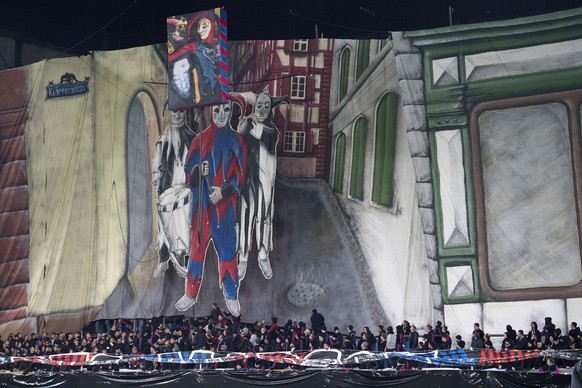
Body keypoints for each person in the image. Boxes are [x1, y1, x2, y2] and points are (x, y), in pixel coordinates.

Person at [175, 97, 247, 316]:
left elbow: (242, 175)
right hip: (201, 209)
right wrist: (198, 172)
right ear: (211, 112)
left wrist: (223, 191)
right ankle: (190, 293)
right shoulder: (200, 139)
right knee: (196, 251)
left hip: (224, 211)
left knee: (227, 252)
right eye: (217, 110)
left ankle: (231, 295)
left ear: (231, 112)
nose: (222, 114)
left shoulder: (238, 141)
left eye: (226, 110)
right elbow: (188, 173)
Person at [234, 92, 290, 280]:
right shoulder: (245, 126)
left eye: (267, 105)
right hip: (247, 180)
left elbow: (265, 138)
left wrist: (249, 124)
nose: (263, 109)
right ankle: (242, 257)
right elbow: (236, 147)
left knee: (264, 217)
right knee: (244, 218)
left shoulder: (272, 131)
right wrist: (240, 131)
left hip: (265, 183)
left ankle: (263, 256)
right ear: (254, 106)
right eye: (259, 105)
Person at [151, 109, 197, 278]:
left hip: (184, 188)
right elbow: (157, 162)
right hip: (166, 188)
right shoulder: (163, 139)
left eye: (180, 112)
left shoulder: (192, 137)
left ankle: (180, 262)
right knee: (164, 229)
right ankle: (163, 260)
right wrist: (156, 175)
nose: (178, 115)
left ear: (185, 115)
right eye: (175, 112)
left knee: (181, 226)